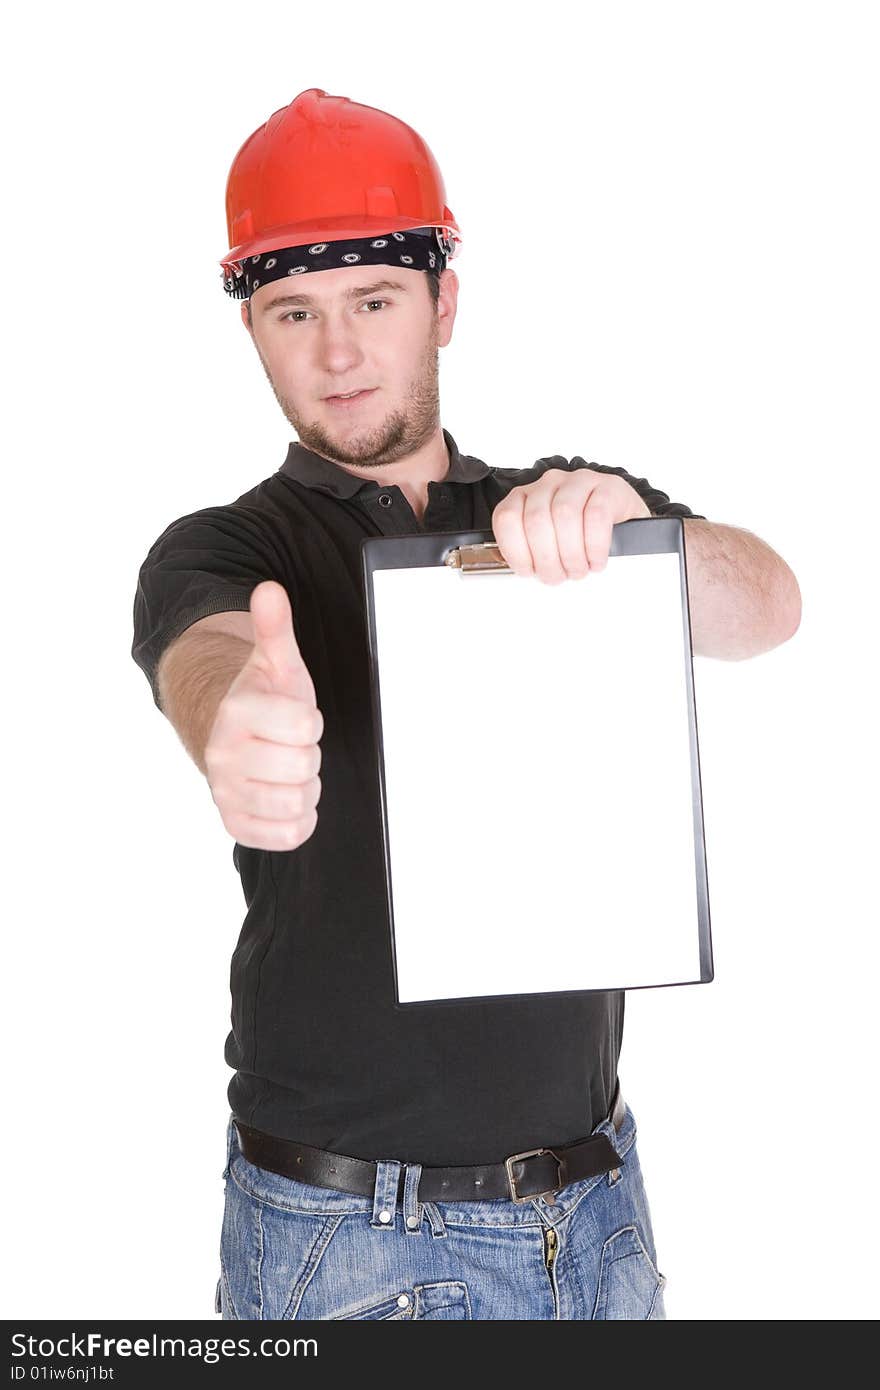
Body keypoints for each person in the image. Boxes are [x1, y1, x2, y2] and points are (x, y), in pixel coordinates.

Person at [130, 89, 799, 1321]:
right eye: (294, 312)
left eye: (373, 301)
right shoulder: (223, 547)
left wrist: (645, 540)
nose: (337, 355)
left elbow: (768, 607)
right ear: (255, 332)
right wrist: (235, 720)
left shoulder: (569, 509)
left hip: (596, 1205)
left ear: (444, 302)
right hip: (349, 1234)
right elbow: (207, 654)